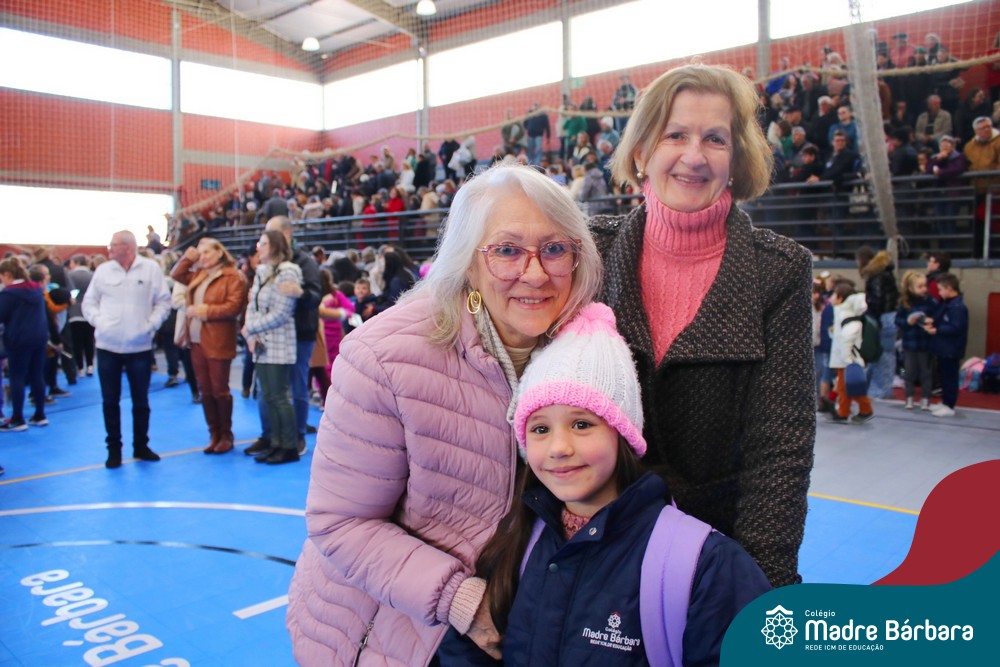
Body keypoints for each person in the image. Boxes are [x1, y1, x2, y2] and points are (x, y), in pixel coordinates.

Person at [286, 160, 603, 665]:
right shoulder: (383, 357)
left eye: (554, 249)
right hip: (400, 633)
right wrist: (461, 602)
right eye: (506, 251)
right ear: (467, 263)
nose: (535, 273)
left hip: (523, 618)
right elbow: (340, 524)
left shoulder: (588, 350)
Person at [439, 302, 771, 665]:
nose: (559, 448)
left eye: (582, 424)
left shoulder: (707, 566)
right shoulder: (514, 541)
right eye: (540, 429)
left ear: (622, 433)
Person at [597, 64, 815, 588]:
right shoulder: (589, 250)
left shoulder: (778, 270)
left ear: (736, 158)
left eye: (715, 139)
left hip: (716, 553)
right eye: (675, 135)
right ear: (641, 153)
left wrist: (761, 587)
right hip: (595, 543)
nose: (694, 157)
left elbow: (780, 445)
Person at [82, 230, 171, 469]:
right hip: (107, 347)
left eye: (114, 244)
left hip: (140, 347)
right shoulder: (103, 271)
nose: (109, 248)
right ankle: (114, 450)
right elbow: (88, 302)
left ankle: (141, 445)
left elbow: (164, 301)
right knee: (110, 401)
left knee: (141, 401)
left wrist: (150, 326)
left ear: (128, 247)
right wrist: (99, 322)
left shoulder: (150, 269)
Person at [171, 238, 247, 454]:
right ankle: (214, 433)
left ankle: (226, 434)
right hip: (196, 340)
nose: (202, 257)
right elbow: (176, 275)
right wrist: (188, 257)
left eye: (206, 252)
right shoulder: (199, 274)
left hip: (218, 340)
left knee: (219, 390)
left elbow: (234, 307)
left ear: (219, 252)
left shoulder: (233, 276)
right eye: (200, 253)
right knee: (205, 390)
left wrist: (206, 311)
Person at [241, 230, 302, 464]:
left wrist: (251, 327)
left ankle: (289, 446)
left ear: (275, 246)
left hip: (279, 343)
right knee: (268, 395)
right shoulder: (262, 271)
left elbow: (282, 313)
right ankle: (276, 443)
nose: (259, 247)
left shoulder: (288, 272)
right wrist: (251, 330)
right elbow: (252, 305)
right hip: (260, 343)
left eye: (263, 243)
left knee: (279, 396)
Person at [0, 258, 49, 432]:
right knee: (37, 375)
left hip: (19, 340)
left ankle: (17, 418)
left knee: (17, 377)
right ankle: (40, 414)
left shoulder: (9, 294)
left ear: (7, 275)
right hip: (39, 338)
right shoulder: (37, 290)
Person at [855, 246, 899, 399]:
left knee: (882, 355)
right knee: (883, 355)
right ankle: (878, 389)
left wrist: (872, 319)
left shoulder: (877, 276)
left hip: (882, 318)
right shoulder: (884, 273)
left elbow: (877, 300)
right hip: (888, 316)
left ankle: (880, 391)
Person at [923, 273, 968, 417]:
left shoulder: (958, 307)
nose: (939, 293)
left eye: (941, 290)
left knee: (950, 378)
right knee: (943, 376)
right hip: (943, 347)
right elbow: (939, 317)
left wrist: (937, 330)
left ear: (949, 288)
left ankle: (950, 405)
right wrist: (932, 321)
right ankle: (945, 402)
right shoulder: (946, 303)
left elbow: (956, 327)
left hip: (952, 349)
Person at [828, 283, 874, 424]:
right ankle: (845, 411)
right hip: (845, 358)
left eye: (834, 294)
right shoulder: (843, 313)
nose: (831, 297)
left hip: (847, 359)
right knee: (845, 387)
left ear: (840, 298)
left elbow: (847, 338)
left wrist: (846, 358)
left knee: (848, 386)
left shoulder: (846, 315)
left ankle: (862, 409)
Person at [895, 271, 935, 411]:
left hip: (925, 343)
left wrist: (931, 321)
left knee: (926, 372)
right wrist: (908, 322)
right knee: (908, 372)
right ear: (910, 288)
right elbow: (898, 320)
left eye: (925, 286)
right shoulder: (905, 304)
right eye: (920, 286)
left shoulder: (930, 301)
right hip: (909, 344)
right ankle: (909, 397)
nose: (924, 289)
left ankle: (926, 398)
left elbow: (937, 316)